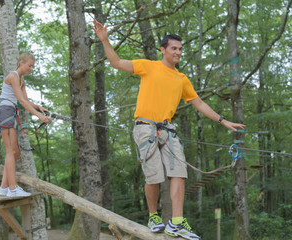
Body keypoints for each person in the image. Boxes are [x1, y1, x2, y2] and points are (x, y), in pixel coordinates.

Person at [92, 19, 245, 240]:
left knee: (179, 175)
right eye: (174, 48)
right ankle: (154, 216)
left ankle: (176, 223)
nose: (178, 52)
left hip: (168, 130)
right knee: (154, 177)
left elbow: (199, 103)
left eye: (180, 49)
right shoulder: (148, 66)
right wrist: (105, 40)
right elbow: (116, 62)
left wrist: (223, 120)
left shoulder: (181, 79)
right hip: (145, 127)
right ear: (163, 50)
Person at [0, 52, 51, 197]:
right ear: (21, 62)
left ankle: (3, 188)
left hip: (10, 112)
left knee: (16, 152)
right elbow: (22, 101)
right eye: (29, 65)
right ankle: (12, 189)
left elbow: (25, 100)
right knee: (10, 151)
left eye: (32, 66)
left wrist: (38, 107)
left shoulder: (21, 80)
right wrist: (38, 116)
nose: (31, 68)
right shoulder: (13, 76)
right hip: (5, 111)